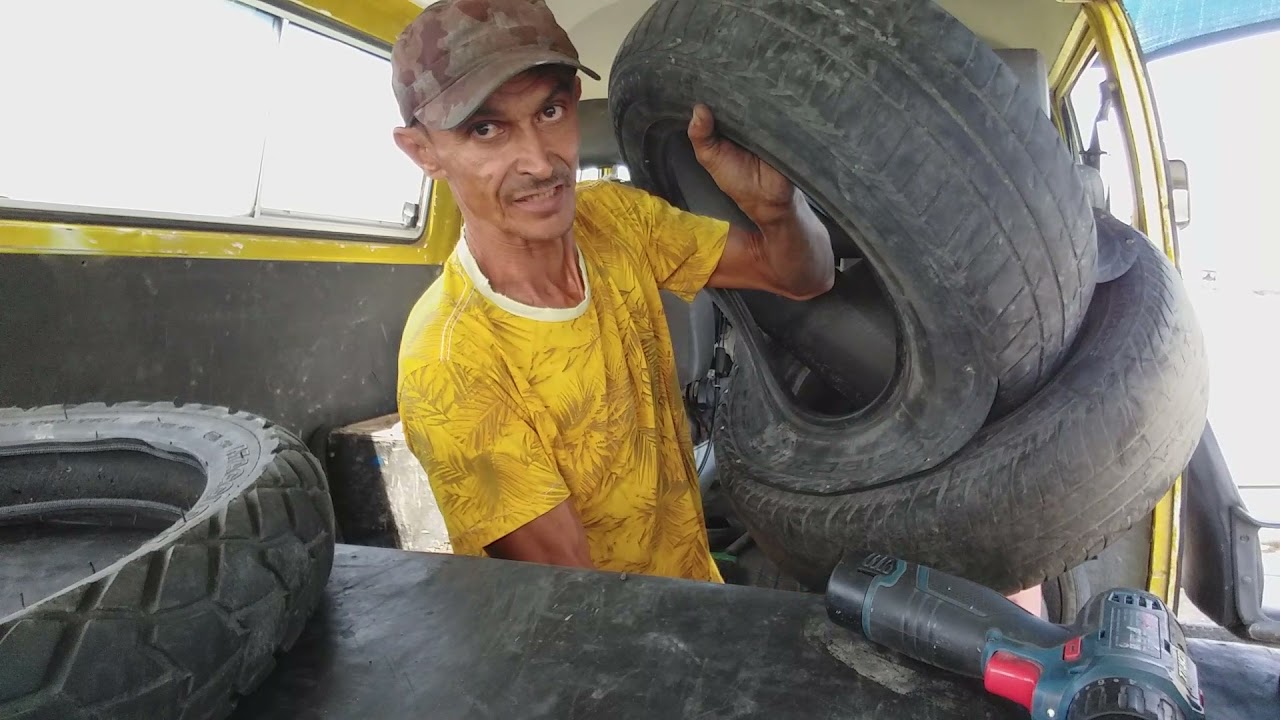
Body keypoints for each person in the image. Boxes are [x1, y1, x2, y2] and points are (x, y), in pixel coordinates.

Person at [390, 0, 833, 583]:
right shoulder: (452, 365)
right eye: (486, 129)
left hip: (694, 594)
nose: (538, 162)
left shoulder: (613, 218)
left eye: (549, 111)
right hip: (612, 648)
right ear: (424, 152)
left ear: (573, 102)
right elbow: (576, 602)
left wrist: (778, 210)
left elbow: (802, 276)